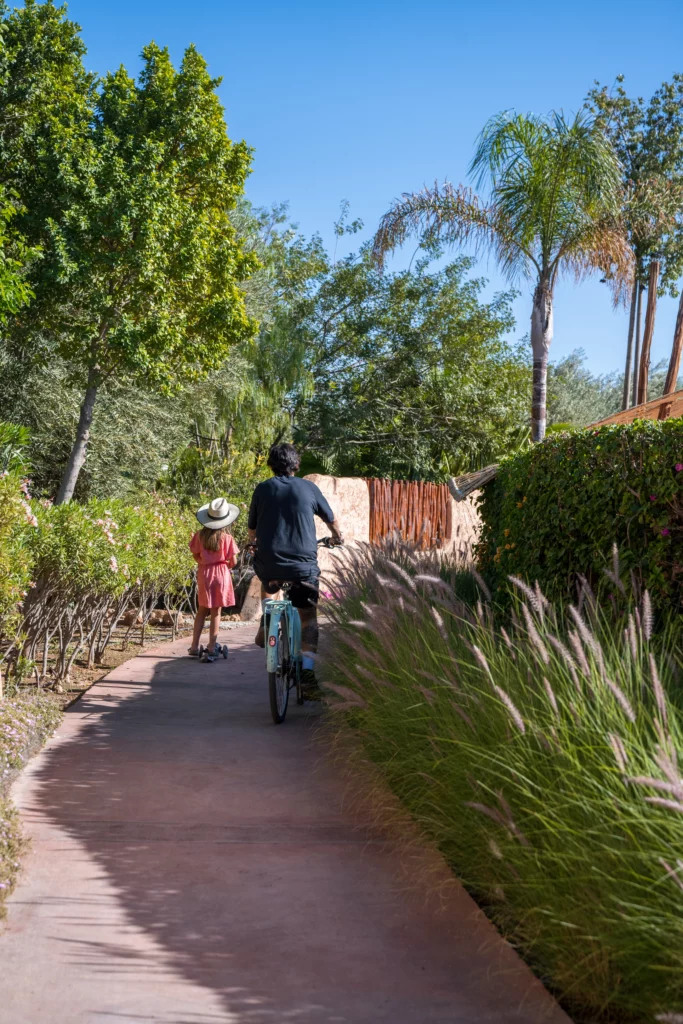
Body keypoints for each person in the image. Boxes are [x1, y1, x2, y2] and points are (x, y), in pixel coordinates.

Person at [247, 443, 343, 690]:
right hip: (303, 567)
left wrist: (250, 543)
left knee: (267, 577)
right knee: (309, 617)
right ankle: (308, 674)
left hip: (270, 563)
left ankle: (268, 614)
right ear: (296, 465)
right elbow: (331, 519)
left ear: (271, 465)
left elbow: (252, 530)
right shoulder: (309, 488)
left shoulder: (262, 489)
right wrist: (337, 537)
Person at [189, 497, 240, 663]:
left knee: (202, 609)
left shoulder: (199, 535)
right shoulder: (227, 538)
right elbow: (233, 562)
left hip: (204, 572)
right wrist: (223, 564)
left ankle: (195, 646)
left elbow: (195, 555)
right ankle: (211, 646)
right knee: (216, 612)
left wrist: (205, 562)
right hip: (221, 573)